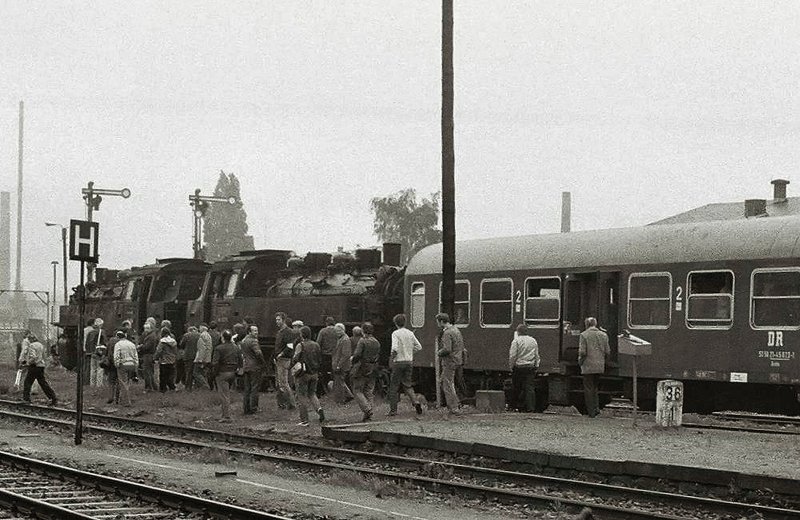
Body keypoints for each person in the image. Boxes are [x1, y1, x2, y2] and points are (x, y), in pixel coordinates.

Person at [388, 313, 424, 416]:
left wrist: (392, 358)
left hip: (398, 362)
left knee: (394, 386)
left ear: (396, 323)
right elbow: (419, 347)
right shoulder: (410, 333)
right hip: (409, 361)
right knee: (407, 385)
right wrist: (410, 352)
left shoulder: (395, 333)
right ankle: (415, 402)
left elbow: (394, 348)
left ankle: (393, 410)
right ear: (405, 322)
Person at [292, 326, 325, 426]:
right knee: (312, 394)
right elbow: (319, 359)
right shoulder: (316, 345)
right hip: (314, 374)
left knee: (301, 396)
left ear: (302, 335)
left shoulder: (300, 345)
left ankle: (304, 420)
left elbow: (295, 358)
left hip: (303, 374)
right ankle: (319, 410)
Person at [578, 317, 610, 418]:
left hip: (588, 366)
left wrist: (580, 361)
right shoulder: (603, 335)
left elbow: (583, 352)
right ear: (595, 324)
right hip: (599, 366)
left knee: (588, 389)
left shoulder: (584, 335)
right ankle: (596, 409)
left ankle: (591, 412)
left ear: (587, 324)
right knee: (595, 388)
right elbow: (607, 351)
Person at [351, 322, 380, 422]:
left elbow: (357, 355)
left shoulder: (362, 341)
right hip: (373, 368)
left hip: (362, 367)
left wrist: (352, 360)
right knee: (368, 391)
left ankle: (367, 409)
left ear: (363, 331)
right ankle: (369, 415)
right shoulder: (376, 342)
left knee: (357, 390)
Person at [436, 312, 464, 415]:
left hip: (449, 361)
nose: (438, 324)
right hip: (457, 360)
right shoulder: (456, 330)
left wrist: (439, 352)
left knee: (447, 384)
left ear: (442, 322)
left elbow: (447, 349)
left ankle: (454, 407)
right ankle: (455, 404)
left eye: (438, 322)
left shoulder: (447, 333)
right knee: (444, 381)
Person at [508, 324, 540, 412]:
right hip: (530, 367)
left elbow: (513, 355)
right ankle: (531, 408)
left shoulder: (516, 341)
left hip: (519, 367)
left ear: (518, 332)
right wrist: (536, 366)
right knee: (529, 388)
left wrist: (511, 366)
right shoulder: (533, 341)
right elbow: (536, 355)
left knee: (516, 387)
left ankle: (513, 406)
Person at [20, 334, 58, 406]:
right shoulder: (41, 345)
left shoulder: (32, 346)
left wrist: (28, 363)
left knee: (27, 382)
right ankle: (53, 398)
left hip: (34, 366)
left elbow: (33, 357)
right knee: (43, 383)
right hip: (41, 366)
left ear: (31, 339)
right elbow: (43, 356)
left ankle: (26, 399)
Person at [211, 330, 240, 422]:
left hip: (222, 373)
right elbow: (240, 359)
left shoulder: (218, 348)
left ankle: (226, 416)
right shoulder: (236, 347)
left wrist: (214, 373)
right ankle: (225, 413)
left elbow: (215, 363)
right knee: (227, 394)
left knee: (224, 395)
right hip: (233, 373)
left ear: (222, 338)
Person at [273, 313, 298, 410]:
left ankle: (292, 404)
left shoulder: (287, 332)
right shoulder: (280, 332)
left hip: (284, 359)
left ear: (283, 320)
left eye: (278, 319)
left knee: (284, 383)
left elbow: (290, 346)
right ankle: (283, 403)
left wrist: (281, 354)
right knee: (281, 383)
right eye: (276, 320)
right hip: (279, 359)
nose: (277, 321)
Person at [241, 324, 266, 414]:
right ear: (249, 332)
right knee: (255, 388)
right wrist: (263, 363)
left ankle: (246, 408)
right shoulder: (253, 341)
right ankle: (254, 408)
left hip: (246, 366)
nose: (257, 332)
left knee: (247, 388)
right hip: (254, 366)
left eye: (257, 330)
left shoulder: (243, 340)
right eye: (254, 331)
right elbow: (258, 353)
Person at [113, 330, 138, 406]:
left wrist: (117, 364)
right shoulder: (132, 344)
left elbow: (116, 355)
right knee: (128, 383)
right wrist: (136, 365)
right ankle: (124, 399)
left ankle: (126, 402)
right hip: (132, 364)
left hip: (123, 364)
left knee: (123, 383)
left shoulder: (118, 344)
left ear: (118, 337)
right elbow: (135, 355)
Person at [331, 323, 354, 404]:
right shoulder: (341, 339)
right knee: (340, 381)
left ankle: (341, 400)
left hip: (342, 365)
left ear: (342, 330)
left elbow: (346, 354)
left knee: (340, 382)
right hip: (339, 364)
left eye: (338, 331)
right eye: (336, 331)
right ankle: (348, 395)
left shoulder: (345, 340)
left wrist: (338, 365)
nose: (336, 333)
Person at [315, 316, 338, 397]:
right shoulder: (337, 331)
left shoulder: (323, 331)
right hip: (335, 355)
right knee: (335, 374)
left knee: (323, 374)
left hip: (325, 355)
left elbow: (318, 343)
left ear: (326, 323)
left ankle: (322, 392)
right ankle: (336, 391)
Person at [154, 327, 178, 392]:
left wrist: (155, 358)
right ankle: (172, 387)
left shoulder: (162, 342)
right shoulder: (174, 341)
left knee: (163, 376)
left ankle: (163, 389)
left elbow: (159, 351)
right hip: (172, 360)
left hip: (164, 360)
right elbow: (175, 351)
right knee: (170, 375)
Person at [86, 318, 107, 388]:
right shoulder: (102, 332)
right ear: (100, 324)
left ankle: (92, 384)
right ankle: (99, 384)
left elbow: (87, 343)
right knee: (100, 368)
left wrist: (90, 351)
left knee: (93, 369)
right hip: (99, 352)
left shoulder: (90, 332)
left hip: (92, 352)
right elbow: (105, 342)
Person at [138, 321, 159, 391]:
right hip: (149, 355)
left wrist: (140, 347)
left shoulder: (151, 336)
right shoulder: (151, 335)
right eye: (145, 328)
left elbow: (147, 347)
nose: (145, 330)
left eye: (147, 328)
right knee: (149, 372)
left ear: (150, 328)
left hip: (148, 355)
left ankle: (148, 387)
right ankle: (154, 387)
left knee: (147, 372)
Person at [193, 324, 213, 390]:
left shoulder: (202, 336)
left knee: (196, 373)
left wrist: (200, 359)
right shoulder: (208, 336)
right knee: (202, 373)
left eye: (199, 328)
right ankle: (199, 387)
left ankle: (205, 386)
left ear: (202, 328)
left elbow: (201, 348)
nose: (199, 329)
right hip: (207, 357)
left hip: (201, 358)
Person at [181, 326, 200, 391]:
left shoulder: (186, 335)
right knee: (197, 372)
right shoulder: (199, 335)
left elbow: (182, 344)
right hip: (197, 355)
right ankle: (197, 387)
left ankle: (188, 387)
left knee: (188, 372)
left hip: (188, 356)